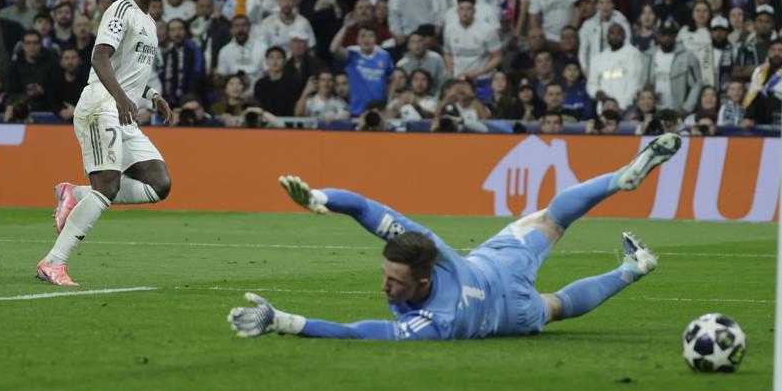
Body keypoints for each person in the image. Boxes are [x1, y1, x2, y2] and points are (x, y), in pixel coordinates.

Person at [227, 134, 682, 340]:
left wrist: (286, 321)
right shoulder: (429, 247)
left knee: (557, 306)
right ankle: (616, 180)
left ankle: (632, 269)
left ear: (423, 284)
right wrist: (319, 200)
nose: (385, 286)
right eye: (387, 274)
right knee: (554, 218)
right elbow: (365, 208)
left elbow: (360, 331)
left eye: (396, 282)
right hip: (497, 267)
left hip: (510, 314)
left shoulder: (436, 322)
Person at [38, 0, 173, 286]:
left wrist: (152, 95)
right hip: (101, 103)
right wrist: (121, 97)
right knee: (107, 186)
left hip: (123, 109)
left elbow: (130, 72)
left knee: (159, 184)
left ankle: (75, 194)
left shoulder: (150, 23)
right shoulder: (120, 9)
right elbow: (100, 58)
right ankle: (54, 262)